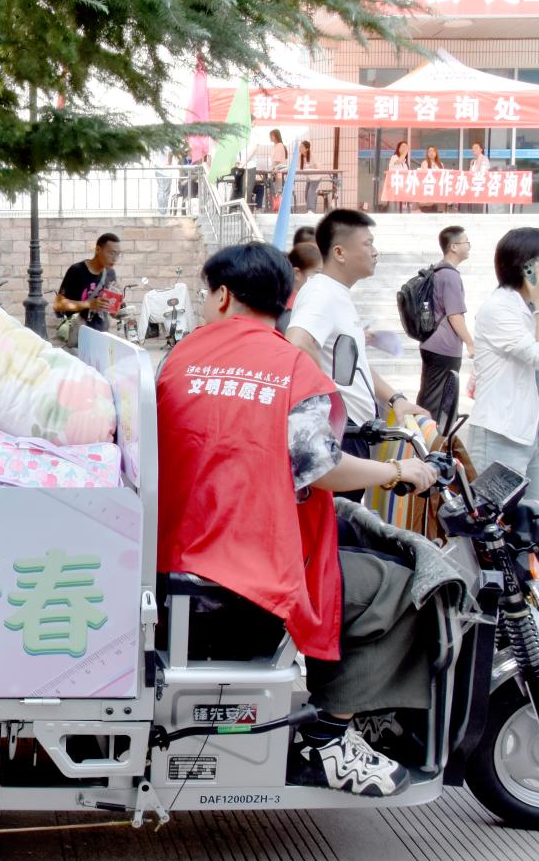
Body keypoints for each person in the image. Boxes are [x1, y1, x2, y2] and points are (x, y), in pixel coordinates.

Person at [159, 242, 436, 796]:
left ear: (222, 296)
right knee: (398, 586)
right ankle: (327, 739)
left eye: (205, 292)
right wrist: (397, 471)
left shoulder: (180, 358)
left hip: (174, 548)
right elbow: (320, 468)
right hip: (247, 566)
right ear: (285, 300)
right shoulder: (291, 368)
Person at [286, 210, 427, 500]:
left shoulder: (337, 294)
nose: (375, 252)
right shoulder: (321, 294)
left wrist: (396, 399)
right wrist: (329, 404)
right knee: (340, 521)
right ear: (339, 252)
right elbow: (298, 343)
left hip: (352, 432)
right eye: (368, 244)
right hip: (340, 433)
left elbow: (356, 364)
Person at [466, 228, 539, 507]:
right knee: (494, 517)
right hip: (503, 430)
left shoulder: (530, 306)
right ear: (529, 265)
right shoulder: (498, 308)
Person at [416, 226, 476, 432]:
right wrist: (470, 343)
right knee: (436, 405)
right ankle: (426, 443)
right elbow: (455, 315)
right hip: (444, 347)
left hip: (431, 342)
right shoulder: (450, 276)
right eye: (466, 242)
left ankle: (421, 440)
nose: (469, 246)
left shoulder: (437, 271)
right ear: (453, 247)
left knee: (429, 398)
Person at [54, 232, 120, 340]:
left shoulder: (110, 273)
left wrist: (117, 310)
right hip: (78, 335)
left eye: (117, 254)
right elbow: (59, 304)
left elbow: (111, 311)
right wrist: (89, 304)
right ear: (98, 250)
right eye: (111, 253)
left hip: (102, 335)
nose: (115, 258)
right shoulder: (77, 270)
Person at [278, 233, 322, 334]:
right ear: (297, 273)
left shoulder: (308, 301)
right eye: (317, 273)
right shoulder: (288, 309)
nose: (321, 279)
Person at [419, 145, 446, 213]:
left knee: (439, 208)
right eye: (429, 151)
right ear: (427, 154)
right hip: (429, 187)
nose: (431, 153)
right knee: (429, 208)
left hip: (438, 188)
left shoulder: (440, 164)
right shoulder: (424, 163)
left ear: (436, 153)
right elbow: (423, 175)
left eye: (433, 151)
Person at [387, 141, 412, 213]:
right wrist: (405, 152)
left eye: (406, 147)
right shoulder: (394, 157)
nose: (405, 148)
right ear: (398, 148)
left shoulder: (405, 162)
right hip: (395, 186)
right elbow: (398, 162)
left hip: (403, 187)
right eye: (403, 146)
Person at [268, 128, 289, 210]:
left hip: (279, 172)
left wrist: (273, 171)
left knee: (278, 191)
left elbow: (277, 161)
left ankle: (279, 208)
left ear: (276, 136)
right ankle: (278, 208)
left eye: (271, 136)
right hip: (277, 171)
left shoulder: (279, 146)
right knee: (277, 191)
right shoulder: (276, 146)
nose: (270, 137)